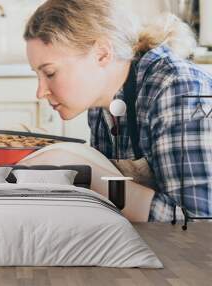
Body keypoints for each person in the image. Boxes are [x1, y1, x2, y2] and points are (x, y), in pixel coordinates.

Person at [20, 0, 212, 222]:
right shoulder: (101, 104)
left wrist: (84, 168)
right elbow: (114, 204)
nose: (40, 91)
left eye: (50, 73)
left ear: (102, 53)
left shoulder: (178, 89)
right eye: (38, 75)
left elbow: (198, 227)